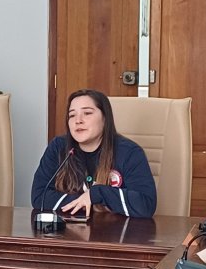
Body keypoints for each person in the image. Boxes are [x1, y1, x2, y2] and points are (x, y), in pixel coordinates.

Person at [31, 89, 157, 218]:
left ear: (105, 118)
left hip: (116, 229)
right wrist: (85, 201)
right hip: (69, 228)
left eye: (87, 113)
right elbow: (39, 197)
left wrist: (96, 195)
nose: (78, 120)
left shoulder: (129, 152)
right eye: (72, 115)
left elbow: (145, 205)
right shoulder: (59, 147)